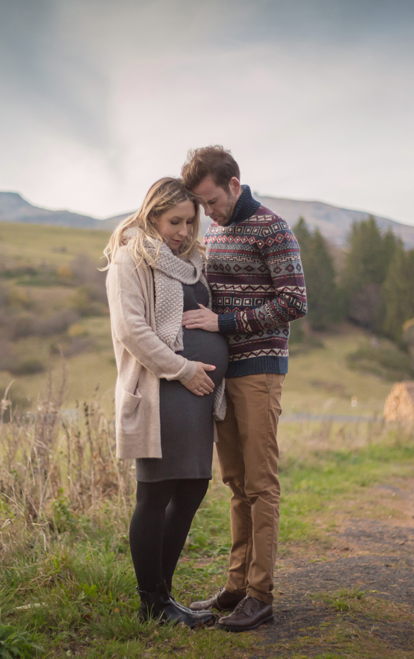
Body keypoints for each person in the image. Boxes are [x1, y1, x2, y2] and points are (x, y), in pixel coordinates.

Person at [180, 146, 307, 632]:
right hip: (224, 373)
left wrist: (225, 321)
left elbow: (295, 301)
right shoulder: (217, 226)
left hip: (260, 371)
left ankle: (261, 595)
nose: (206, 213)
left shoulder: (273, 229)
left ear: (234, 183)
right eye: (201, 205)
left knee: (260, 483)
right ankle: (236, 586)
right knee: (236, 483)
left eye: (211, 201)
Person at [103, 177, 229, 628]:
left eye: (190, 222)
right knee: (155, 492)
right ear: (152, 214)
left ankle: (163, 597)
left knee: (193, 488)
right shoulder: (129, 259)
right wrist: (184, 368)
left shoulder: (191, 261)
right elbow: (132, 331)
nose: (183, 230)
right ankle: (151, 603)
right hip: (162, 390)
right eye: (175, 221)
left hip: (196, 395)